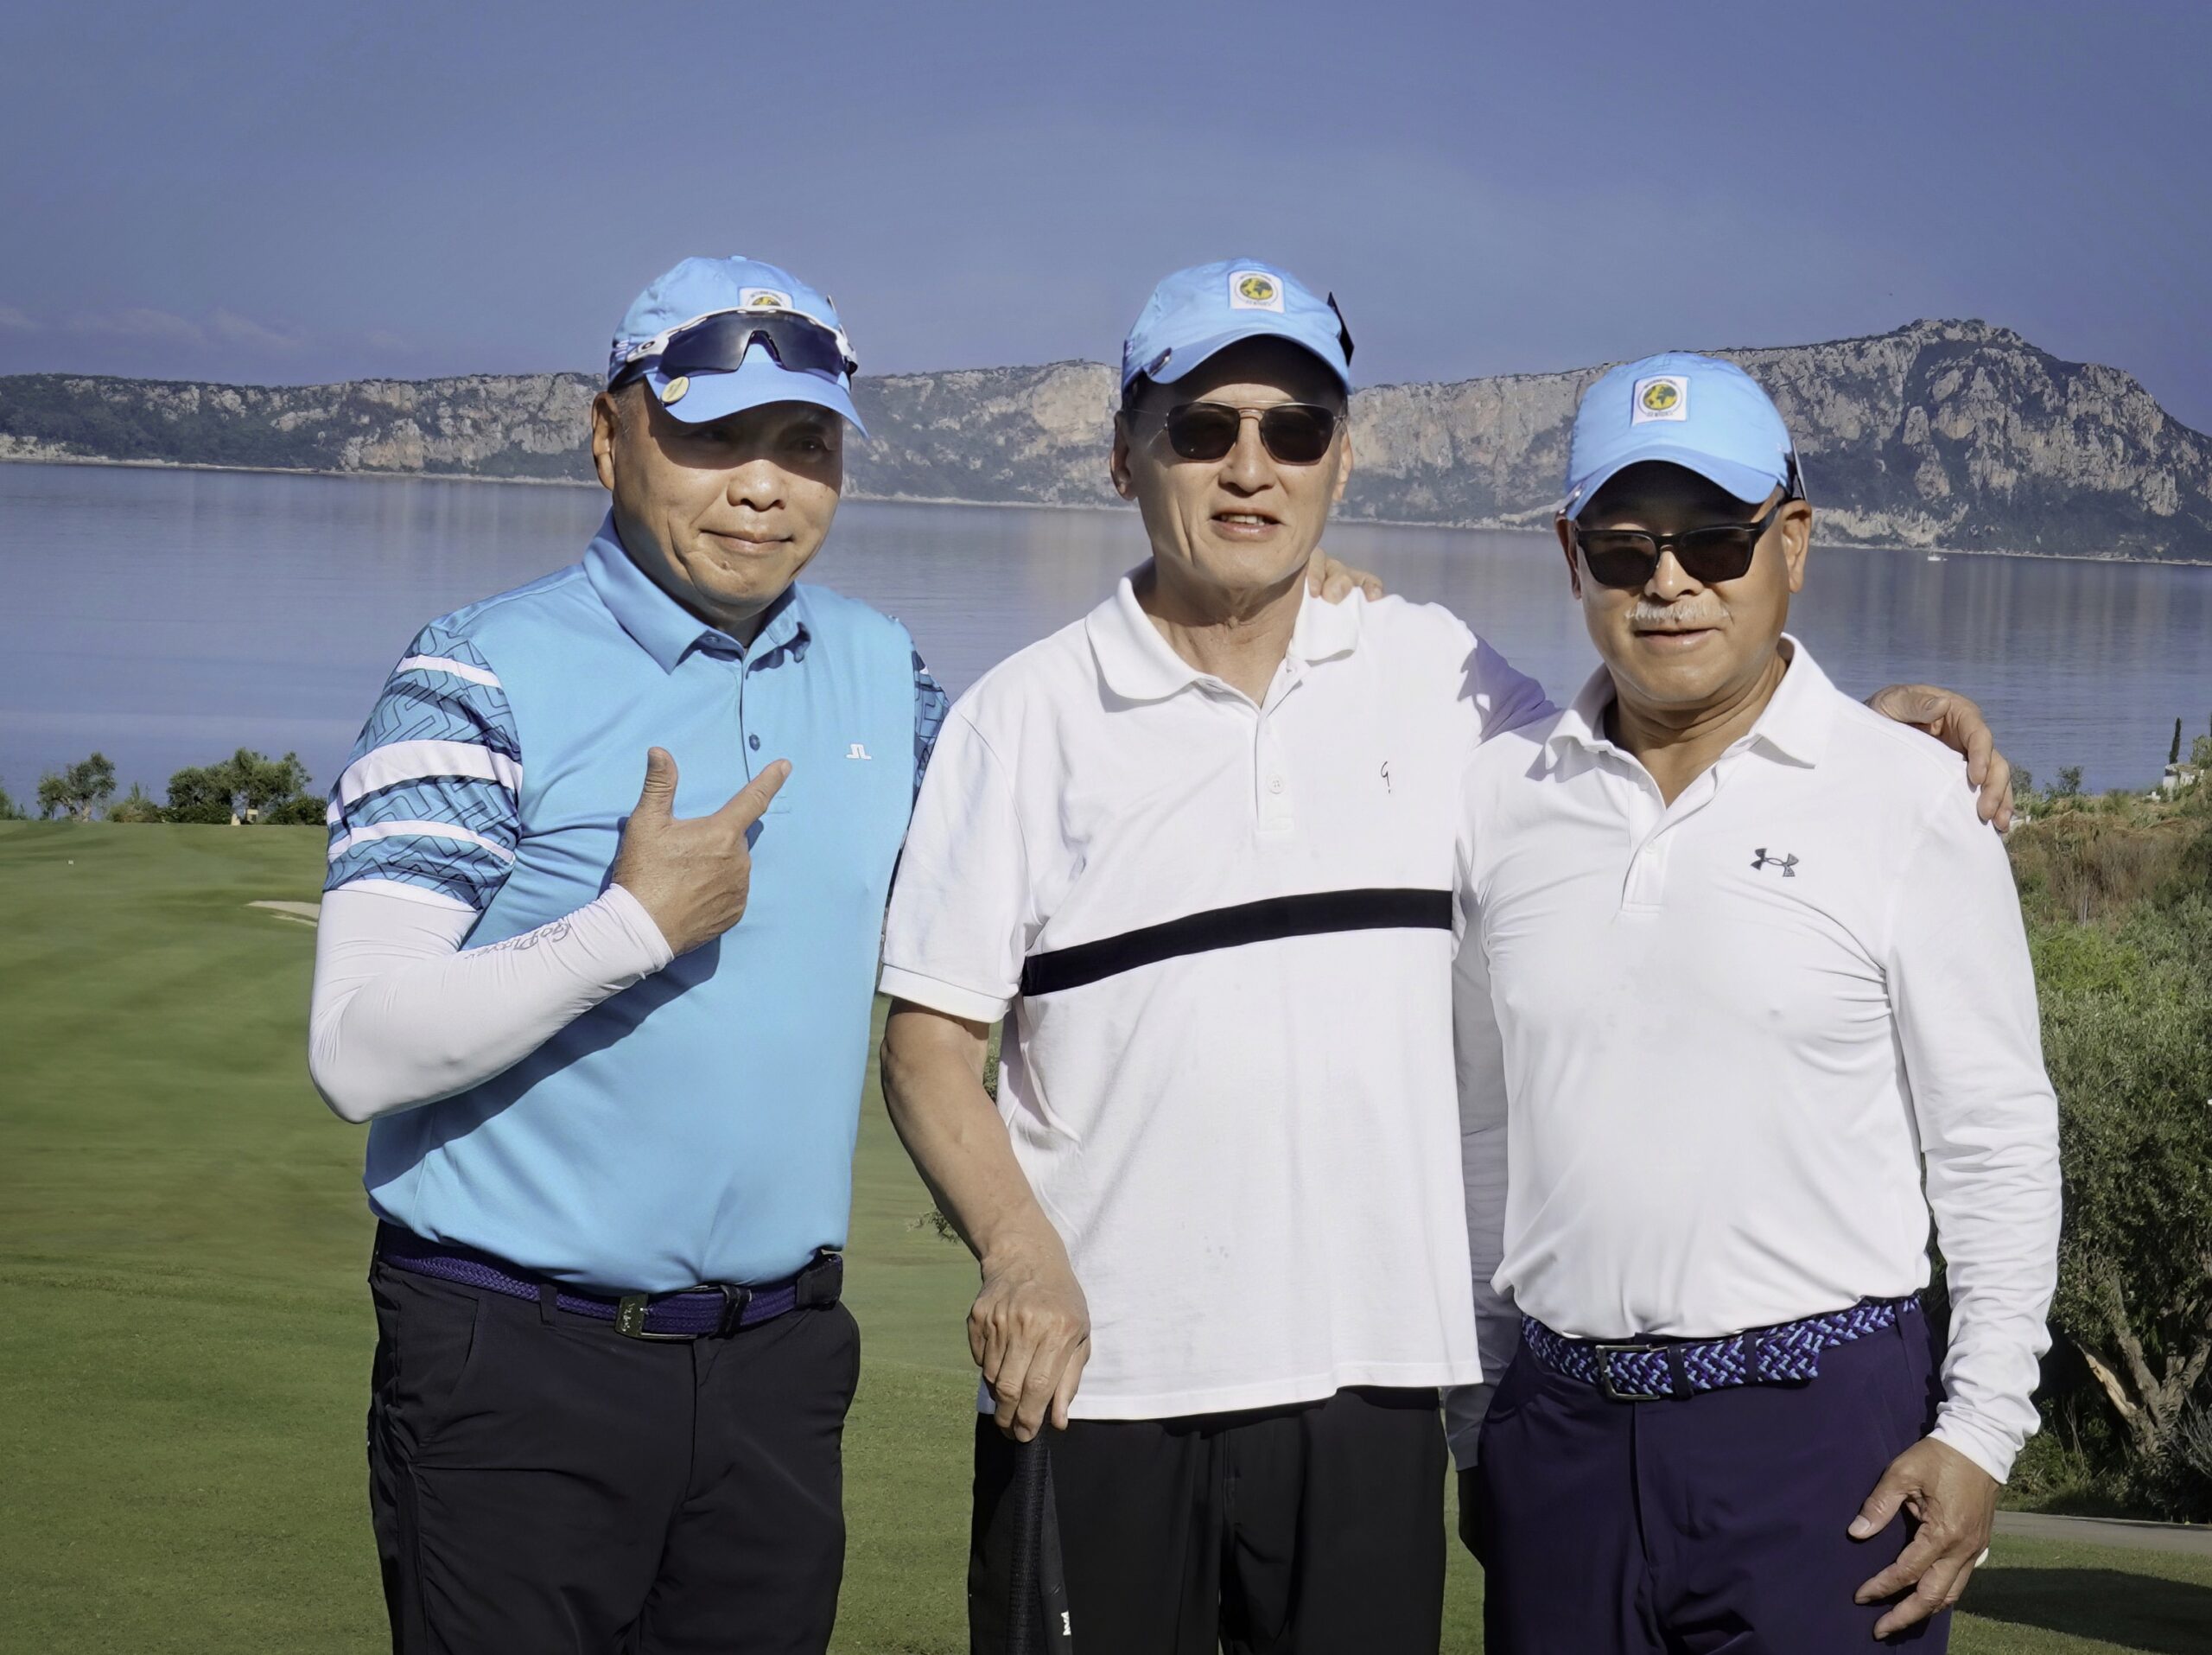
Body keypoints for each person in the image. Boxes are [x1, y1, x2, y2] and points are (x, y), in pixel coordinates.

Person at [875, 264, 2015, 1654]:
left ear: (1341, 460)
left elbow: (1670, 726)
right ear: (1126, 456)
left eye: (1296, 430)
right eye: (1205, 429)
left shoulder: (1438, 679)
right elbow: (928, 1045)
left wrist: (1849, 741)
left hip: (1375, 1404)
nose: (1251, 467)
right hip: (1103, 1388)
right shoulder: (1020, 719)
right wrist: (1019, 1252)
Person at [307, 256, 946, 1653]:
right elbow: (356, 1050)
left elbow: (1054, 861)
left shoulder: (883, 672)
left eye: (805, 443)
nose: (763, 486)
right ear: (610, 437)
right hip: (515, 1365)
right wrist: (630, 929)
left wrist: (1274, 604)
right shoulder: (477, 672)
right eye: (714, 436)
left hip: (780, 1372)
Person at [1447, 353, 2062, 1654]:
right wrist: (1481, 1417)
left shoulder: (1910, 799)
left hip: (1825, 1446)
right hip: (1558, 1437)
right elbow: (1480, 1129)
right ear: (1570, 556)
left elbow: (1996, 1140)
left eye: (1715, 541)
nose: (1669, 581)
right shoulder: (1498, 801)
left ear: (1792, 542)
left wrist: (1981, 1431)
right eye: (1624, 548)